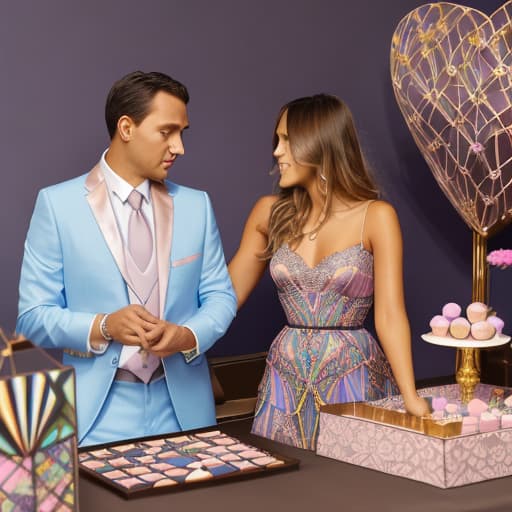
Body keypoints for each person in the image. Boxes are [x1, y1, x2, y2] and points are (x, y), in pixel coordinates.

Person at [16, 71, 237, 446]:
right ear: (126, 128)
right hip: (95, 417)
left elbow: (221, 297)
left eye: (182, 133)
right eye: (167, 132)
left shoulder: (196, 206)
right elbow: (33, 316)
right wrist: (104, 326)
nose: (179, 147)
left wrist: (187, 335)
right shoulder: (57, 205)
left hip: (184, 413)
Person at [228, 94, 430, 450]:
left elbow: (389, 314)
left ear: (321, 143)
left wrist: (411, 397)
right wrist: (174, 331)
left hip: (351, 371)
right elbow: (225, 296)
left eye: (288, 141)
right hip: (285, 374)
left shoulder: (376, 216)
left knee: (351, 485)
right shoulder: (268, 213)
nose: (277, 151)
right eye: (277, 141)